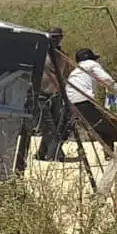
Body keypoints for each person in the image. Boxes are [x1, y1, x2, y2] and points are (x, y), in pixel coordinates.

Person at [64, 48, 117, 156]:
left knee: (99, 127)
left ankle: (109, 153)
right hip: (83, 101)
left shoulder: (76, 70)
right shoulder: (91, 64)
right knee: (109, 128)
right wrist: (111, 91)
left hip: (70, 102)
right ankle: (110, 154)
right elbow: (107, 79)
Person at [34, 27, 76, 161]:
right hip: (40, 94)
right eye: (53, 37)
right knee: (48, 125)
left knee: (54, 125)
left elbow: (66, 75)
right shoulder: (40, 54)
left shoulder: (62, 56)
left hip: (55, 95)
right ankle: (56, 154)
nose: (55, 40)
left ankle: (42, 152)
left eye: (58, 37)